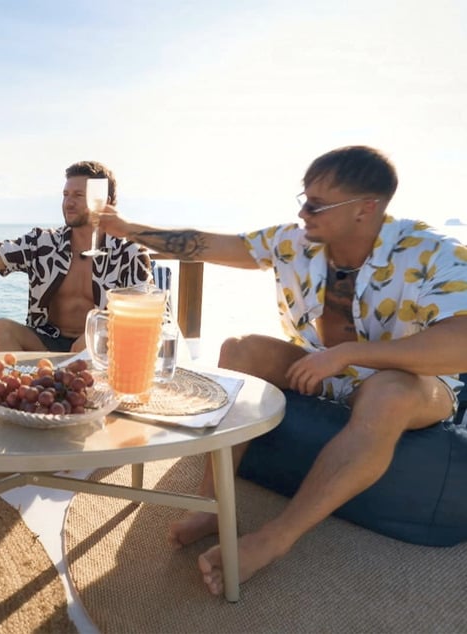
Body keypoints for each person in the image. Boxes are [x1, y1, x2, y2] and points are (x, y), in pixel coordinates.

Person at [99, 145, 467, 595]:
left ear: (365, 209)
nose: (303, 211)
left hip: (413, 385)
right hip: (328, 369)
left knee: (388, 392)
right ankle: (212, 503)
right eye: (303, 198)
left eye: (317, 204)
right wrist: (126, 229)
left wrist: (350, 353)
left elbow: (460, 344)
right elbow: (207, 244)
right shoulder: (295, 242)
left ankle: (275, 539)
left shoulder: (431, 251)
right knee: (240, 349)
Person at [0, 160, 152, 352]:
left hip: (101, 349)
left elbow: (146, 315)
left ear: (104, 202)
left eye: (78, 195)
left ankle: (77, 379)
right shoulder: (43, 242)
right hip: (46, 340)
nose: (68, 203)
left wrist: (97, 332)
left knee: (97, 335)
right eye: (66, 194)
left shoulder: (130, 252)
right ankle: (28, 384)